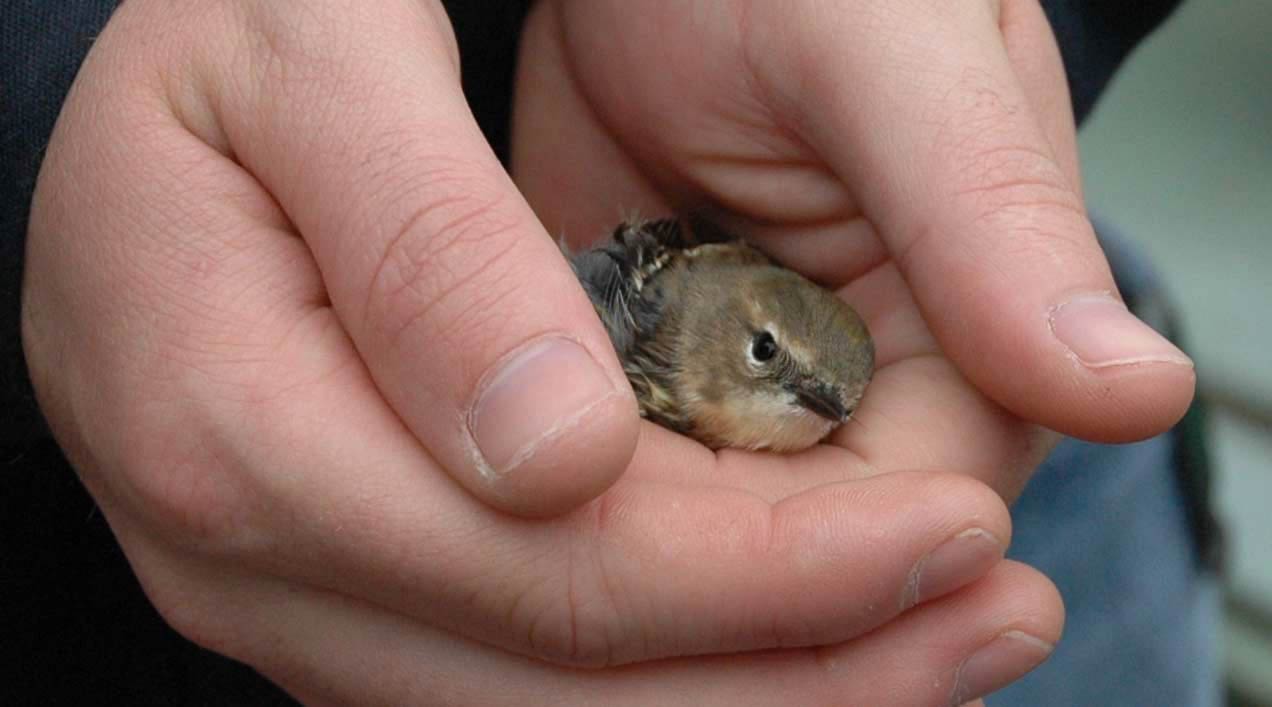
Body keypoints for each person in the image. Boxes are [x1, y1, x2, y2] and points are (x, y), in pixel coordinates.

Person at [1, 0, 1217, 704]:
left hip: (966, 375)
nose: (815, 409)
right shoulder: (646, 340)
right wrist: (51, 108)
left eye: (827, 406)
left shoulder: (825, 363)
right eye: (773, 367)